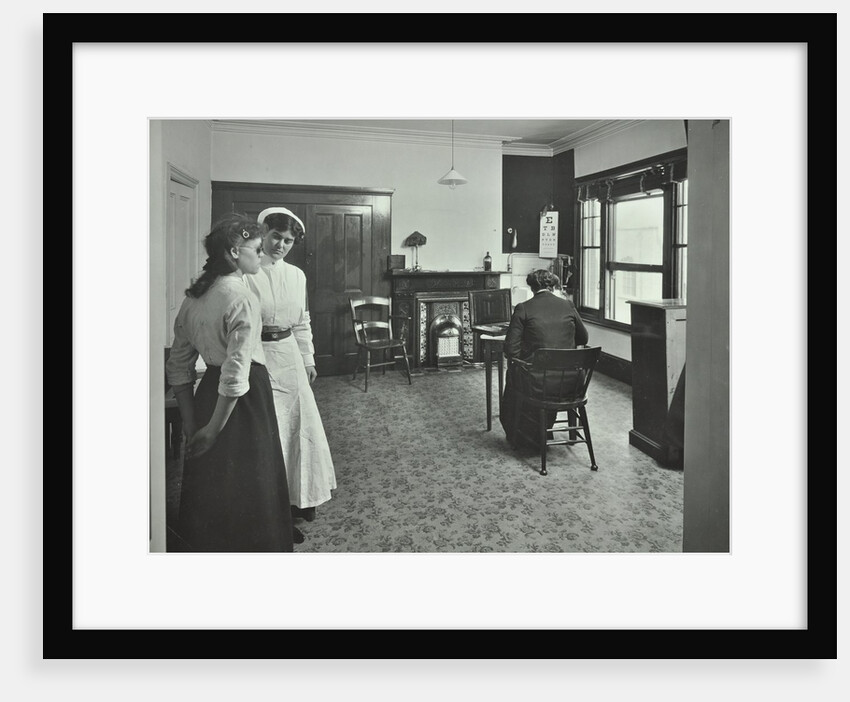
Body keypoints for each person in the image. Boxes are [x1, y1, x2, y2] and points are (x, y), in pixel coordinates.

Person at [165, 212, 299, 552]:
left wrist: (193, 421)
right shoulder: (241, 297)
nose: (262, 255)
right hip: (244, 401)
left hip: (208, 395)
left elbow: (178, 367)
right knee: (250, 479)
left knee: (215, 478)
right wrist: (212, 430)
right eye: (257, 249)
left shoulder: (195, 297)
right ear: (235, 252)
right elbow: (237, 374)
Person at [244, 207, 337, 525]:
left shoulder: (297, 275)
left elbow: (302, 321)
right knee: (269, 428)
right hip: (256, 355)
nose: (281, 245)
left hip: (289, 356)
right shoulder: (246, 273)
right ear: (262, 233)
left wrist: (308, 358)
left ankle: (300, 500)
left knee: (298, 427)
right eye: (276, 237)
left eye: (288, 241)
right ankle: (268, 504)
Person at [499, 268, 589, 445]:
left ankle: (521, 434)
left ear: (532, 287)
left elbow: (510, 350)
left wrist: (528, 351)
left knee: (514, 374)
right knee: (541, 372)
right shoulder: (568, 305)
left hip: (538, 385)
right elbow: (583, 338)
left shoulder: (523, 308)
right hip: (573, 384)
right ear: (553, 286)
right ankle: (545, 429)